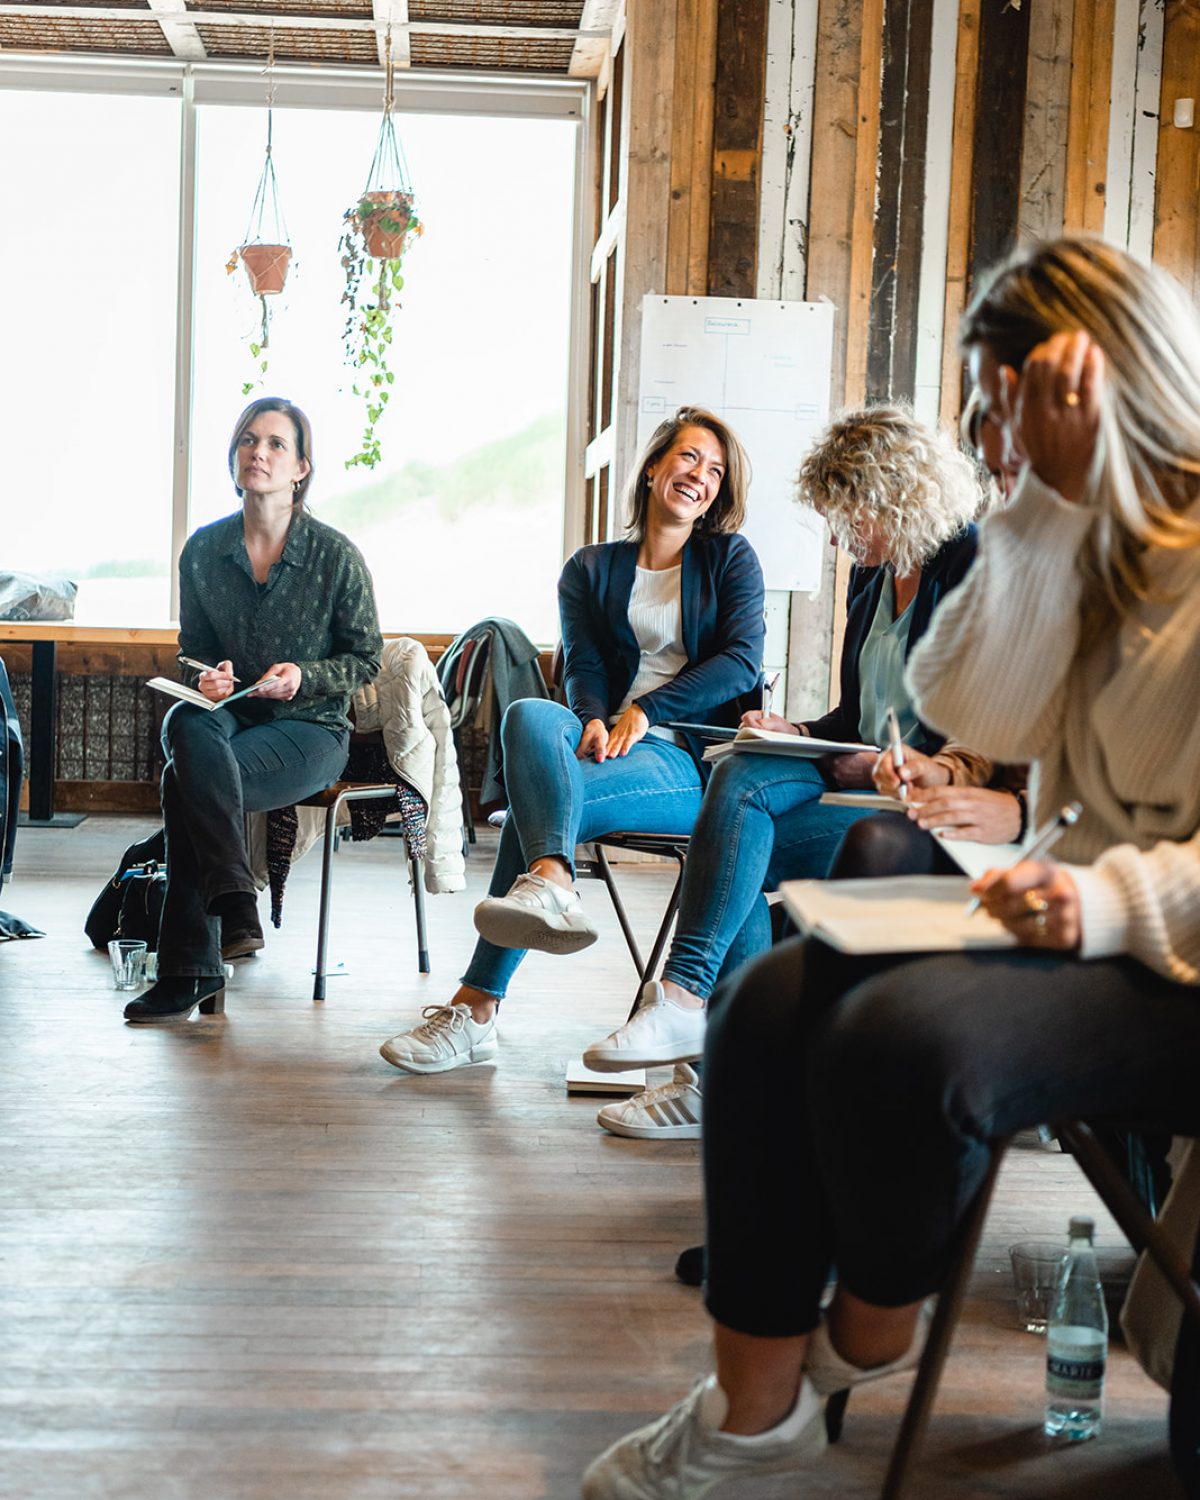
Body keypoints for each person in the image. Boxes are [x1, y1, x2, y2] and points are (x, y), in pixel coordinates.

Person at [581, 235, 1200, 1499]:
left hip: (1160, 950)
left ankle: (854, 1345)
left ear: (1101, 378)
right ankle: (752, 1423)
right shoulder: (1082, 550)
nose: (981, 438)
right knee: (765, 1005)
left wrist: (1093, 894)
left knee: (895, 1040)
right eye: (977, 407)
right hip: (1068, 917)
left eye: (998, 398)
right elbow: (970, 700)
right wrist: (1042, 506)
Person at [582, 405, 995, 1135]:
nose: (837, 538)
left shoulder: (968, 565)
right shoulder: (870, 582)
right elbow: (849, 719)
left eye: (848, 516)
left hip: (925, 804)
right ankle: (703, 1062)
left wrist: (892, 765)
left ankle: (689, 1022)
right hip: (856, 784)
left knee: (735, 815)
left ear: (896, 497)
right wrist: (796, 729)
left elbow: (990, 720)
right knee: (740, 781)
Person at [378, 406, 764, 1074]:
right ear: (652, 469)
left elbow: (740, 662)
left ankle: (477, 1006)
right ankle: (553, 877)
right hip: (601, 749)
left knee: (538, 804)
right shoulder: (591, 568)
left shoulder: (730, 559)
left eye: (715, 469)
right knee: (530, 715)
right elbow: (582, 665)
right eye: (688, 458)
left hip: (686, 763)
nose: (699, 475)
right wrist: (589, 715)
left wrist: (645, 710)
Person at [124, 397, 382, 1023]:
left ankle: (191, 967)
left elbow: (366, 658)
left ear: (301, 467)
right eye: (248, 440)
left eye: (274, 444)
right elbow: (195, 651)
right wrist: (208, 676)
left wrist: (304, 676)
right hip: (231, 717)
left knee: (181, 776)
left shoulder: (334, 555)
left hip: (311, 729)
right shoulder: (204, 551)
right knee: (183, 720)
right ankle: (235, 900)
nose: (257, 453)